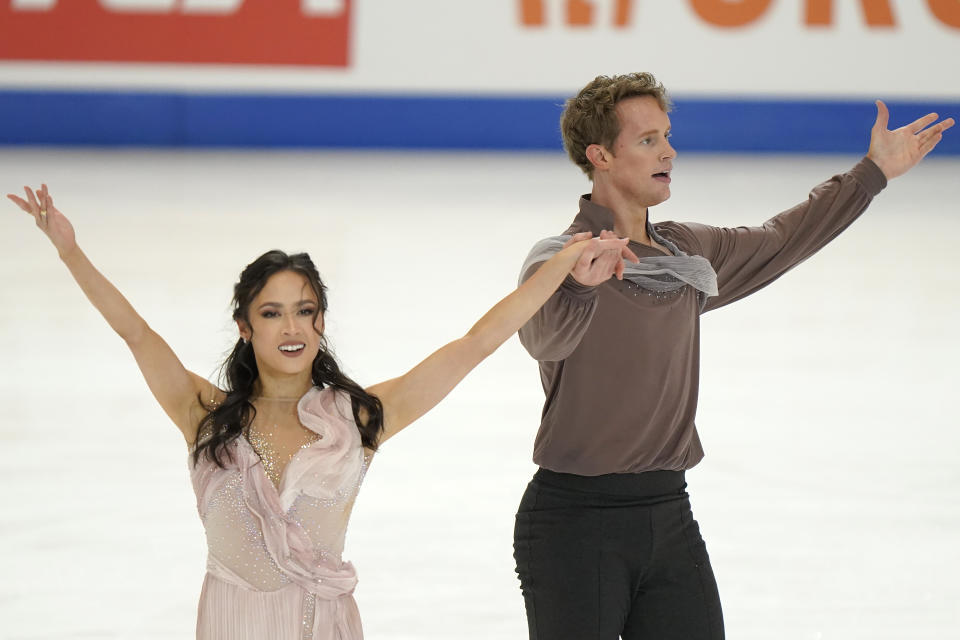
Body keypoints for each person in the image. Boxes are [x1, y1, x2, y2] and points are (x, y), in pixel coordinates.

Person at [6, 184, 638, 640]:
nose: (292, 327)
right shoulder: (203, 413)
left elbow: (472, 345)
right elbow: (137, 334)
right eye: (272, 312)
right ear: (244, 327)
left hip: (324, 628)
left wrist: (559, 268)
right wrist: (68, 252)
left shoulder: (359, 418)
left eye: (305, 310)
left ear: (322, 322)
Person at [513, 72, 954, 640]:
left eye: (667, 135)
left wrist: (870, 176)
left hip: (669, 515)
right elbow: (541, 339)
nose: (669, 150)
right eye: (647, 140)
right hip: (574, 525)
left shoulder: (687, 255)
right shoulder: (561, 258)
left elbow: (780, 239)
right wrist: (575, 284)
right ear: (599, 155)